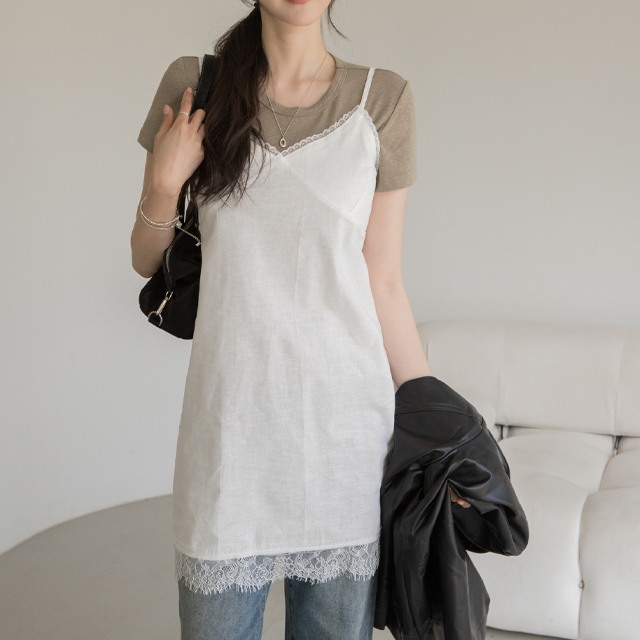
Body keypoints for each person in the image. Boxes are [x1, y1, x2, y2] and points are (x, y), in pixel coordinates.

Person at [131, 0, 470, 638]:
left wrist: (438, 430)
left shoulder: (383, 99)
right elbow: (145, 257)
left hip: (345, 436)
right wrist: (165, 184)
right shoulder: (196, 85)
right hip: (228, 431)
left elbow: (383, 281)